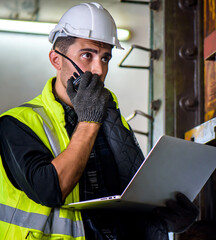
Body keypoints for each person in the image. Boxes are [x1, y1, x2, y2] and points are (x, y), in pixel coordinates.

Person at [0, 2, 198, 239]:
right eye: (87, 55)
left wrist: (168, 218)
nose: (99, 70)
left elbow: (130, 198)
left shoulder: (112, 120)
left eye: (105, 58)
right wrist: (89, 120)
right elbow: (50, 190)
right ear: (56, 60)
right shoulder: (17, 124)